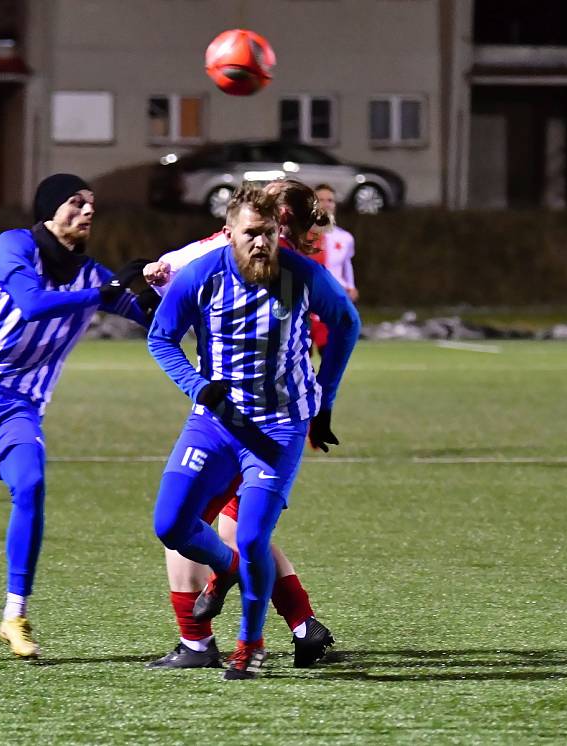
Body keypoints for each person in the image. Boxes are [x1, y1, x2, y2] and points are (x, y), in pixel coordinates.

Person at [0, 174, 150, 665]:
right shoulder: (14, 245)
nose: (88, 212)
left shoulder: (93, 277)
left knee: (31, 485)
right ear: (50, 209)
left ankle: (14, 614)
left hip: (18, 407)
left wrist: (182, 291)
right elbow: (30, 304)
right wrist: (106, 292)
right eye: (76, 202)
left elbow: (150, 315)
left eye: (93, 205)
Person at [148, 184, 360, 679]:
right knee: (177, 525)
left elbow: (346, 323)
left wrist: (324, 402)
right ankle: (252, 593)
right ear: (231, 231)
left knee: (249, 533)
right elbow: (160, 331)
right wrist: (198, 386)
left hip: (279, 424)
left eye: (272, 230)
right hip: (218, 422)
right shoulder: (205, 268)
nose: (264, 240)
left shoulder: (299, 275)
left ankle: (240, 644)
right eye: (254, 231)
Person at [310, 184, 359, 356]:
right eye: (320, 200)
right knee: (300, 357)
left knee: (330, 354)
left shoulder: (344, 237)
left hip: (332, 302)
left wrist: (350, 285)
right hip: (307, 303)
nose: (326, 204)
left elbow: (346, 264)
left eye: (330, 200)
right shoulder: (303, 236)